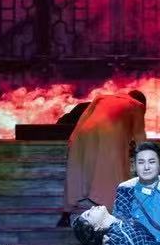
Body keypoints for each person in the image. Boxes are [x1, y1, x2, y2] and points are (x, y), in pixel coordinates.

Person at [61, 90, 146, 225]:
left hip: (84, 134)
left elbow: (83, 118)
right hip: (109, 137)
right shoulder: (137, 105)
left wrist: (73, 138)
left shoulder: (102, 98)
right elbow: (139, 135)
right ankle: (121, 216)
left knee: (77, 176)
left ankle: (65, 215)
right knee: (117, 176)